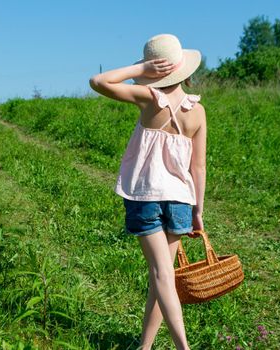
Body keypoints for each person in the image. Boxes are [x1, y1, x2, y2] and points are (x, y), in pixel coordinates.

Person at [89, 34, 206, 350]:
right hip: (181, 198)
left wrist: (137, 67)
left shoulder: (147, 97)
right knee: (161, 277)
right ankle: (145, 346)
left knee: (161, 276)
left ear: (153, 68)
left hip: (146, 196)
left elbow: (98, 81)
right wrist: (199, 211)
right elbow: (198, 168)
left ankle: (183, 347)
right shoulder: (197, 111)